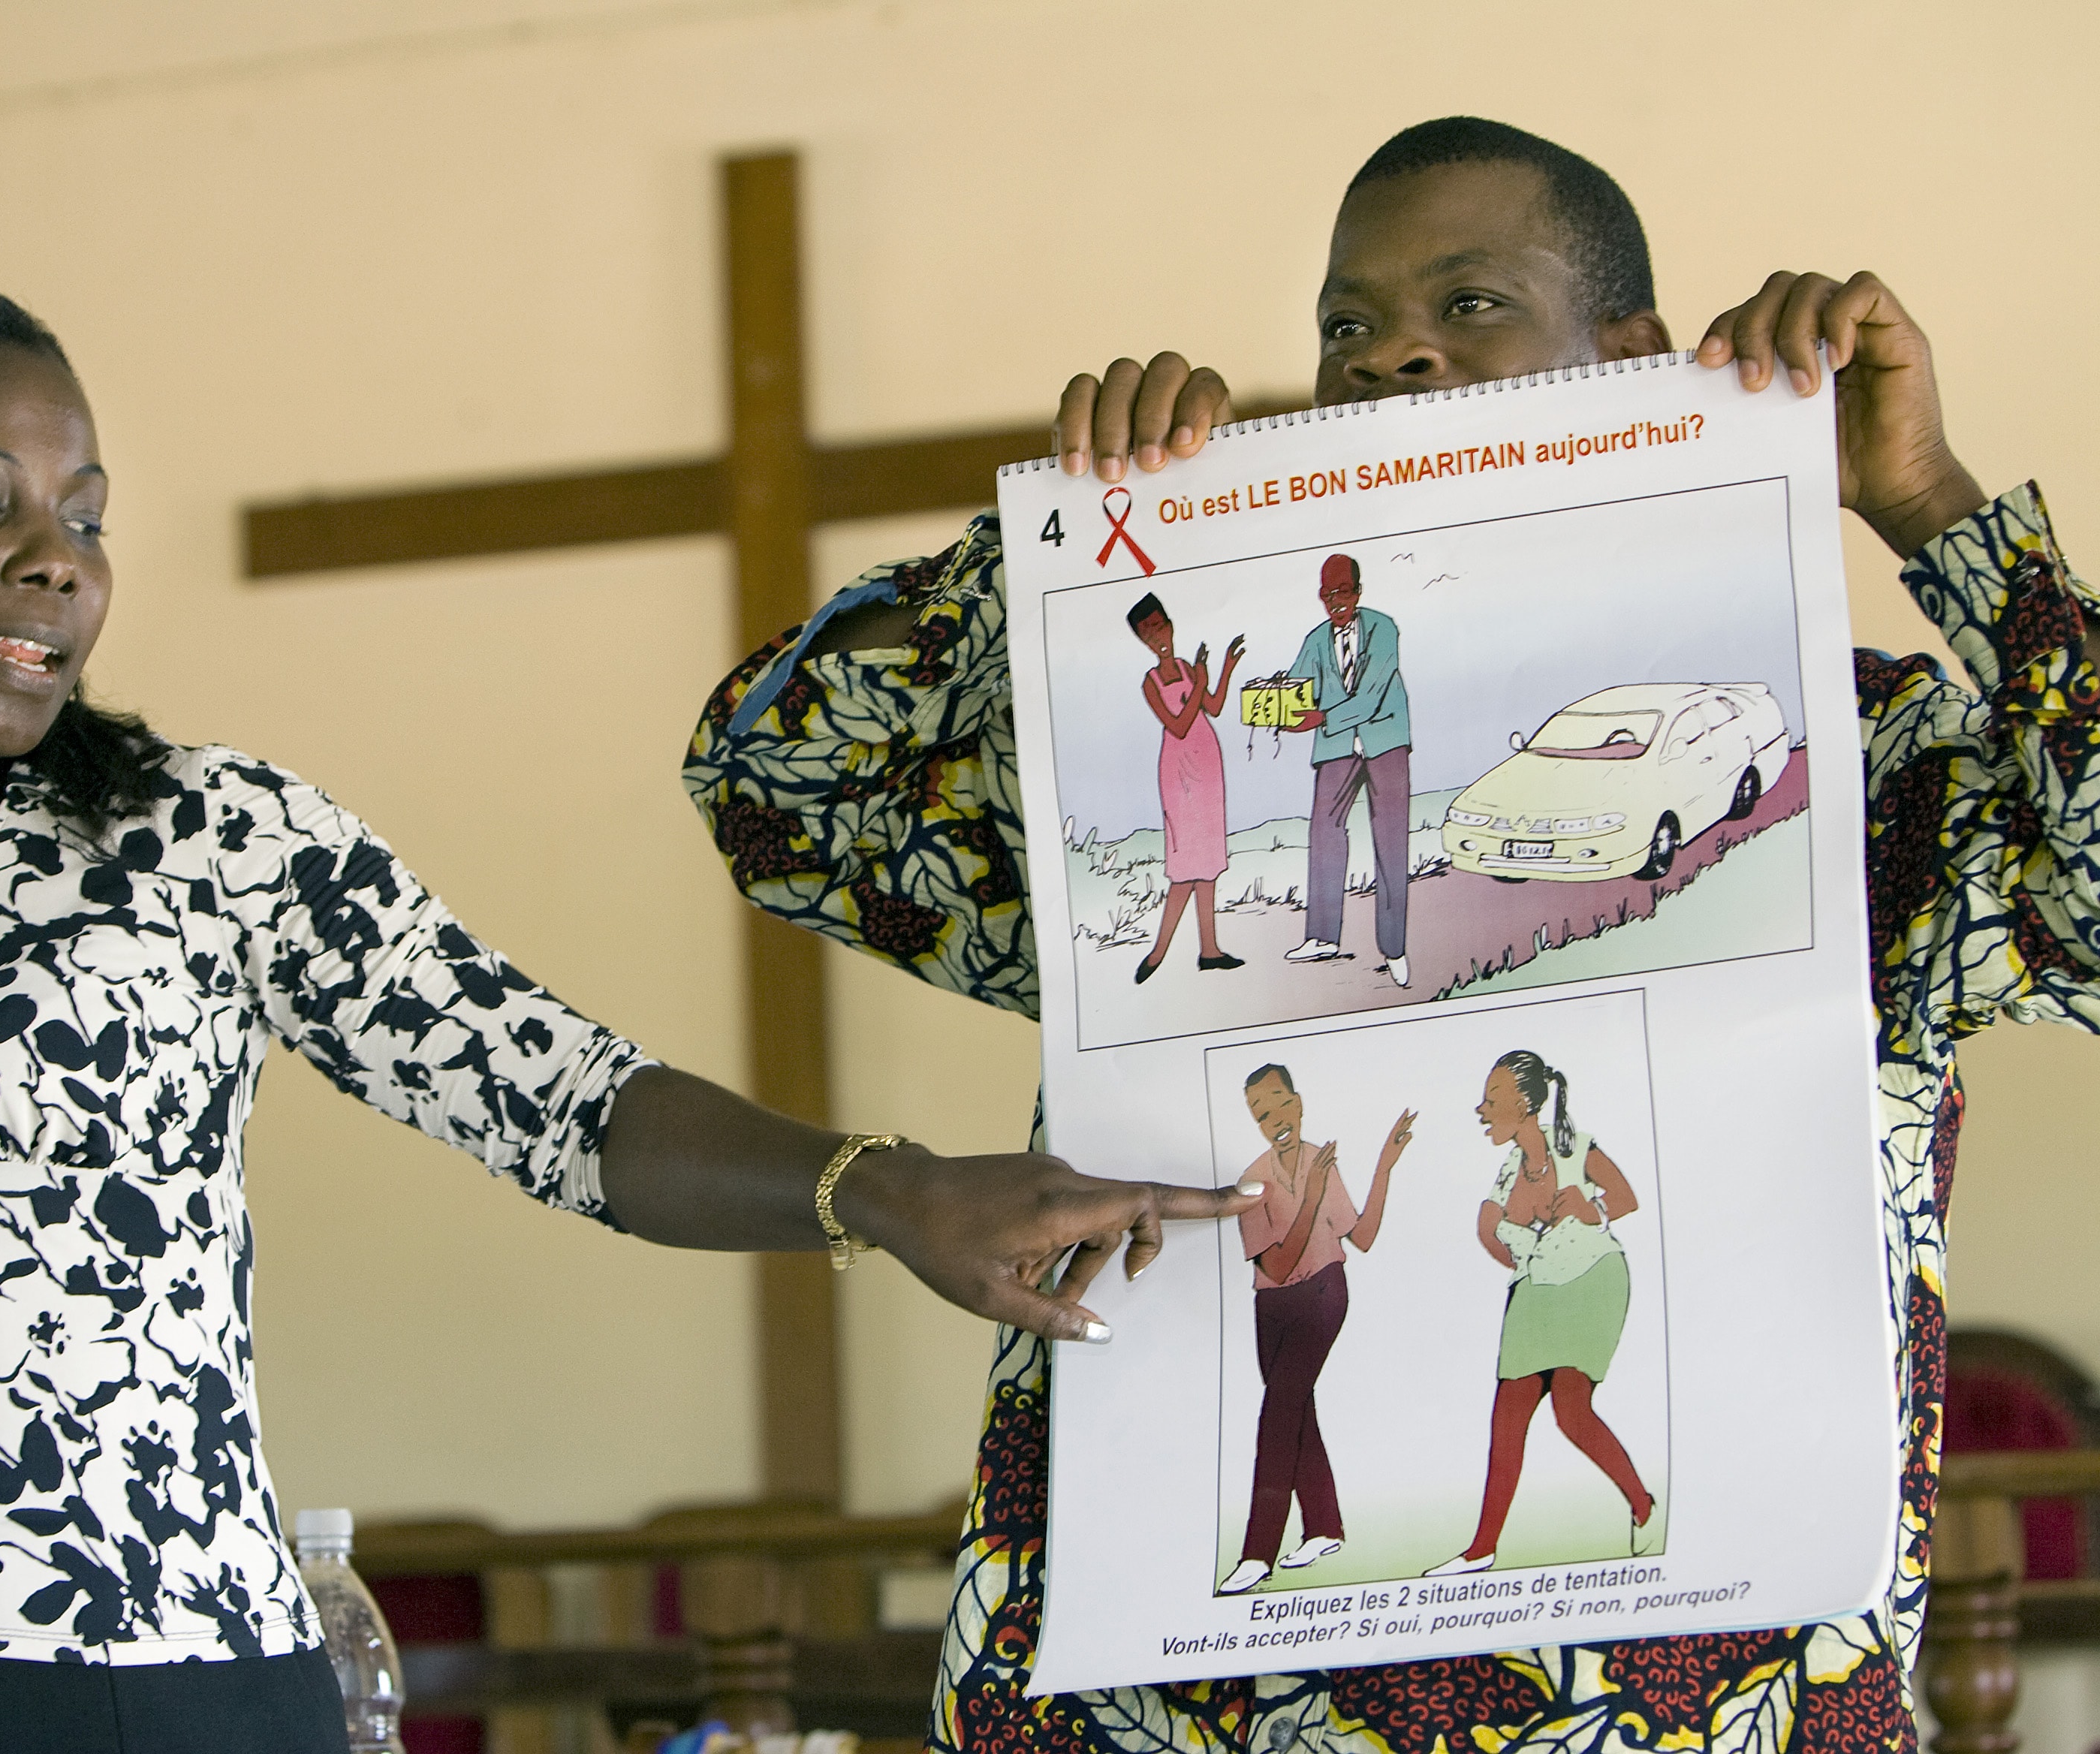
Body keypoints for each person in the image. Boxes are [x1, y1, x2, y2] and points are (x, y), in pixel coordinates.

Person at [0, 284, 1261, 1754]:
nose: (59, 559)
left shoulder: (200, 838)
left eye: (89, 516)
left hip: (154, 1692)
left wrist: (892, 1190)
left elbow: (555, 1096)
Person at [682, 115, 2100, 1751]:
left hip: (1682, 1694)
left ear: (1629, 357)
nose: (1392, 355)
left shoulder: (1851, 769)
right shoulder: (1174, 785)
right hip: (1187, 1685)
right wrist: (1073, 551)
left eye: (1472, 302)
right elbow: (776, 795)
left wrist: (1929, 501)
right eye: (1345, 326)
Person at [1426, 1052, 1653, 1578]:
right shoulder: (1508, 1171)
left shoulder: (1573, 1149)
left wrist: (1587, 1208)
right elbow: (1489, 1231)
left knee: (1571, 1411)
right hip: (1535, 1289)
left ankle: (1640, 1501)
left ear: (1525, 1103)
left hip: (1593, 1278)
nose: (1482, 1110)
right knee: (1506, 1420)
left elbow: (1625, 1198)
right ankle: (1481, 1549)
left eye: (1493, 1099)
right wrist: (1511, 1241)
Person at [1221, 1068, 1413, 1596]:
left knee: (1279, 1413)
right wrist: (1310, 1197)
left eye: (1280, 1106)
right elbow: (1276, 1267)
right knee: (1297, 1410)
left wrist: (1385, 1166)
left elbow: (1363, 1236)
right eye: (1261, 1115)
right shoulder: (1252, 1181)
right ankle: (1324, 1528)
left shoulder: (1321, 1163)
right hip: (1271, 1306)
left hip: (1324, 1294)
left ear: (1298, 1102)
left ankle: (1257, 1554)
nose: (1274, 1121)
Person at [1279, 553, 1414, 987]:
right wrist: (1279, 706)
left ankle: (1394, 948)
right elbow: (1297, 687)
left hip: (1385, 740)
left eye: (1343, 592)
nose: (1335, 602)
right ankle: (1322, 936)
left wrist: (1318, 718)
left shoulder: (1384, 628)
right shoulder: (1316, 640)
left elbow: (1371, 697)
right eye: (1326, 594)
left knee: (1390, 840)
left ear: (1358, 590)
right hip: (1337, 748)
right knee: (1323, 831)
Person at [1125, 592, 1246, 982]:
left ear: (1171, 625)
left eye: (1160, 625)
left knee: (1207, 863)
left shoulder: (1187, 667)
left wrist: (1224, 669)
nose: (1157, 635)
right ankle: (1158, 953)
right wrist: (1200, 683)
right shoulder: (1151, 682)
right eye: (1148, 632)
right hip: (1178, 773)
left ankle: (1209, 951)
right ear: (1142, 641)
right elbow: (1177, 726)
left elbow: (1213, 708)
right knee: (1184, 869)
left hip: (1208, 765)